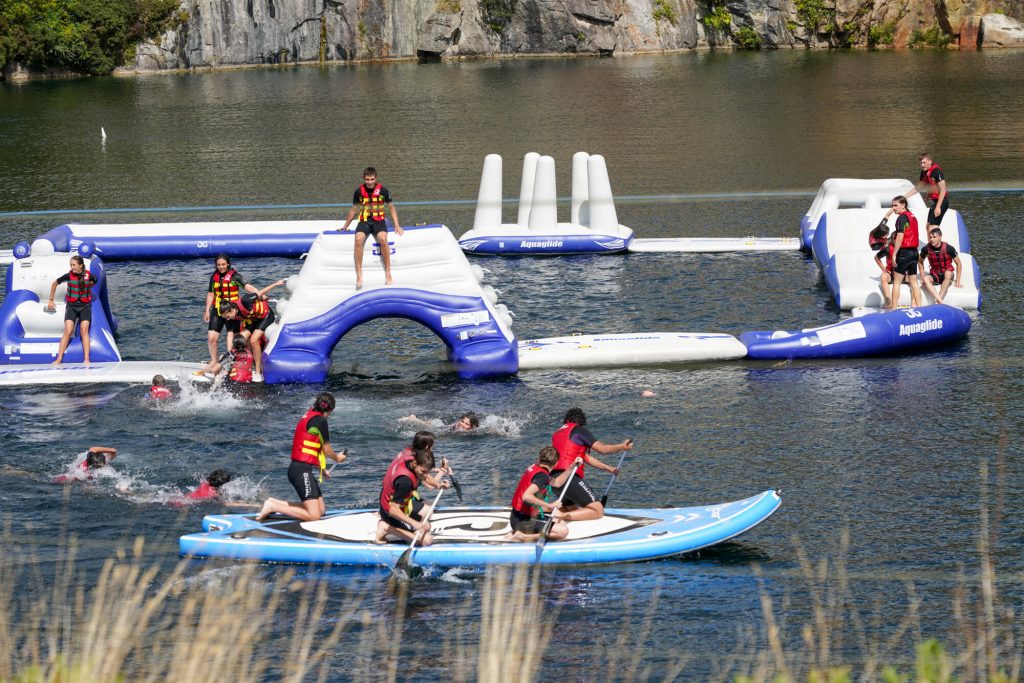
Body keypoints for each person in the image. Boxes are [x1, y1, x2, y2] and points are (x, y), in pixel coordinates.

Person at [256, 392, 347, 522]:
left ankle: (274, 502)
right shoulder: (321, 421)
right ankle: (273, 506)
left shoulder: (308, 416)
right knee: (314, 516)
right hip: (300, 471)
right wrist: (338, 458)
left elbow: (312, 448)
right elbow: (327, 450)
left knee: (321, 510)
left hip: (299, 468)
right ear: (330, 409)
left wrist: (322, 470)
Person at [550, 408, 632, 522]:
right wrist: (622, 446)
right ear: (581, 422)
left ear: (567, 420)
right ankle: (558, 515)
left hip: (554, 480)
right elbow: (603, 449)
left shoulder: (557, 434)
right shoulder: (579, 430)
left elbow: (585, 457)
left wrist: (609, 469)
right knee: (598, 510)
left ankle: (555, 517)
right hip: (569, 479)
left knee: (573, 510)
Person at [375, 431, 451, 544]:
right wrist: (414, 523)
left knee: (427, 524)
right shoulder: (405, 481)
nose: (425, 476)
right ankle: (385, 527)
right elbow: (393, 510)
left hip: (396, 501)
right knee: (426, 541)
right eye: (423, 472)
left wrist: (439, 485)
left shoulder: (410, 455)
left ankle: (403, 526)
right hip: (390, 512)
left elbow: (426, 477)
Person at [339, 167, 404, 289]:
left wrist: (397, 226)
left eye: (372, 179)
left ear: (376, 178)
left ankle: (388, 272)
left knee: (383, 239)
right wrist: (345, 226)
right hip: (364, 221)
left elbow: (391, 208)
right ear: (364, 178)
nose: (369, 182)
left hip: (379, 222)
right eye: (367, 179)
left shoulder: (383, 191)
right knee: (358, 239)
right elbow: (354, 210)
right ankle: (359, 274)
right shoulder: (358, 192)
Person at [217, 279, 285, 382]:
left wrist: (275, 284)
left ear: (231, 310)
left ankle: (257, 370)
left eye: (228, 316)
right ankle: (244, 364)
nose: (227, 319)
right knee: (239, 341)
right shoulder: (232, 315)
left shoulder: (245, 300)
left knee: (253, 340)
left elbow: (260, 293)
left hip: (265, 316)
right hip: (252, 320)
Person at [504, 446, 576, 542]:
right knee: (563, 532)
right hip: (522, 520)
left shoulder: (535, 468)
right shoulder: (542, 477)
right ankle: (522, 536)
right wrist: (550, 505)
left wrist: (572, 467)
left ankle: (516, 532)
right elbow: (526, 496)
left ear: (539, 458)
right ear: (556, 463)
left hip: (518, 517)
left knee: (561, 522)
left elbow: (557, 483)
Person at [203, 254, 259, 366]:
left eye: (223, 264)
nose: (221, 267)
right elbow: (210, 294)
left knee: (235, 338)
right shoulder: (214, 277)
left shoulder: (235, 276)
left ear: (228, 264)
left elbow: (247, 287)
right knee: (212, 338)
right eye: (218, 265)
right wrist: (207, 310)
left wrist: (259, 294)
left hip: (232, 311)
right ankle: (214, 360)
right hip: (218, 309)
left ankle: (236, 360)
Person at [46, 255, 98, 365]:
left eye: (74, 265)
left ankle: (86, 358)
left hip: (85, 306)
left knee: (84, 330)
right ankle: (59, 358)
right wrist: (51, 300)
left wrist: (88, 288)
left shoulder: (89, 276)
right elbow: (54, 283)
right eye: (71, 265)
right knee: (68, 330)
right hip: (72, 306)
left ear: (81, 265)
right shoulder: (68, 276)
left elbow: (95, 281)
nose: (72, 267)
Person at [880, 195, 922, 309]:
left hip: (904, 253)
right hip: (914, 253)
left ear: (903, 205)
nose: (893, 208)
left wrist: (894, 254)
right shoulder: (912, 216)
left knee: (897, 282)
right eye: (892, 205)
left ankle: (893, 309)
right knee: (914, 282)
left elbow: (900, 236)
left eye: (895, 205)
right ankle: (919, 308)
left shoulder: (901, 218)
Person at [918, 227, 964, 305]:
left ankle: (939, 299)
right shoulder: (926, 249)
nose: (931, 239)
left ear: (940, 237)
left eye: (934, 237)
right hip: (936, 274)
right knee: (926, 279)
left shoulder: (949, 248)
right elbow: (920, 262)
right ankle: (939, 300)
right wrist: (922, 277)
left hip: (947, 273)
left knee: (948, 273)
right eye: (930, 237)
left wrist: (958, 281)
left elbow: (958, 263)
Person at [908, 152, 950, 227]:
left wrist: (938, 207)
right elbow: (918, 187)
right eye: (921, 163)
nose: (922, 165)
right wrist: (905, 196)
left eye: (924, 163)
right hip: (934, 202)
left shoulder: (937, 171)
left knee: (933, 227)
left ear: (930, 161)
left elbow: (943, 190)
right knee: (928, 226)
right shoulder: (924, 172)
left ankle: (937, 238)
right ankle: (931, 239)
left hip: (941, 202)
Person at [870, 223, 896, 308]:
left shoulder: (906, 248)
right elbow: (876, 258)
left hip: (902, 273)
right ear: (892, 240)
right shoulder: (887, 249)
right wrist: (884, 270)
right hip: (891, 273)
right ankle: (888, 301)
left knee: (912, 277)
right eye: (895, 239)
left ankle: (915, 301)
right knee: (883, 277)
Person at [398, 411, 480, 433]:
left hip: (443, 425)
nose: (462, 424)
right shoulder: (461, 429)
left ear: (472, 427)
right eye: (462, 421)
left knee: (432, 424)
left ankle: (415, 419)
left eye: (466, 424)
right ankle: (414, 419)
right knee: (431, 427)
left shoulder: (473, 430)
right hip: (444, 427)